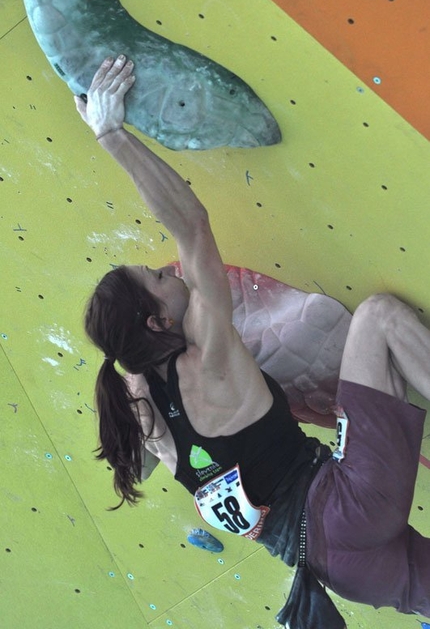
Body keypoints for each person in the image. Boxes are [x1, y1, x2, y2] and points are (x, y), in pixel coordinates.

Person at [75, 55, 430, 628]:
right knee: (381, 318)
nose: (174, 276)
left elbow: (142, 465)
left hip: (332, 571)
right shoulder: (207, 355)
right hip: (346, 506)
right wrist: (112, 134)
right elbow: (190, 223)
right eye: (160, 281)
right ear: (157, 324)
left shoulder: (140, 408)